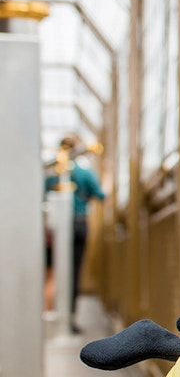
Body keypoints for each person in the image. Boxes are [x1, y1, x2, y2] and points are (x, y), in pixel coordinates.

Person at [44, 134, 105, 332]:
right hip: (78, 222)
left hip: (54, 226)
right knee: (73, 271)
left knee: (53, 272)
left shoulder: (51, 173)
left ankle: (51, 315)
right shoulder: (83, 172)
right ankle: (67, 319)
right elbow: (100, 195)